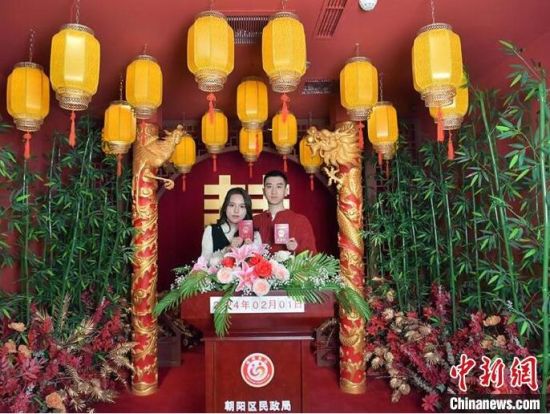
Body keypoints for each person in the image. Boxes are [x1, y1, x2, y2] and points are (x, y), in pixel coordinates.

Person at [253, 170, 317, 254]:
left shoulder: (300, 221)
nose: (274, 192)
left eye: (279, 187)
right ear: (264, 191)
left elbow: (313, 257)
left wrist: (296, 248)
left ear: (286, 191)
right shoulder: (255, 220)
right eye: (269, 186)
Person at [201, 187, 261, 259]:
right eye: (232, 205)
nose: (236, 210)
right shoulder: (211, 230)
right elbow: (203, 264)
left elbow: (260, 263)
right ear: (225, 207)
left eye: (242, 206)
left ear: (247, 211)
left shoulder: (255, 235)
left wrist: (251, 252)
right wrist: (227, 250)